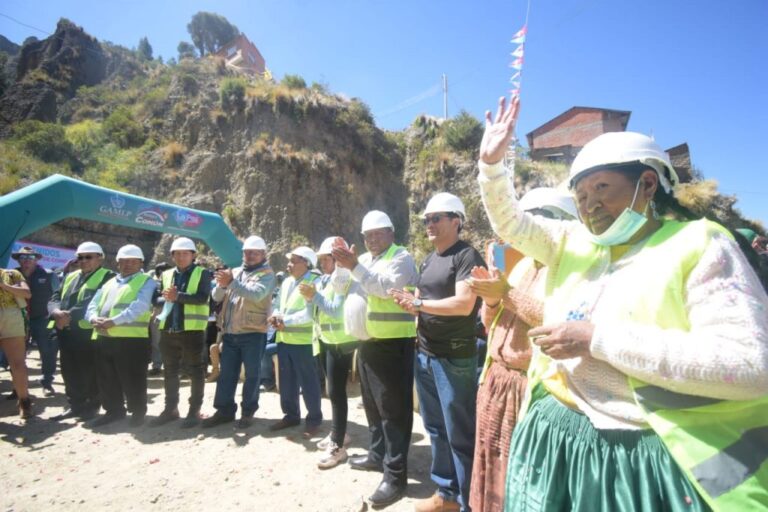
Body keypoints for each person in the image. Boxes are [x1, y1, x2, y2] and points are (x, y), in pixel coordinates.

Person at [477, 96, 768, 510]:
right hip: (554, 436)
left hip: (643, 457)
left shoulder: (700, 245)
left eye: (602, 188)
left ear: (647, 184)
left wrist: (597, 340)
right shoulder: (572, 242)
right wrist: (491, 167)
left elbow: (751, 364)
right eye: (580, 195)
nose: (589, 204)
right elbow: (512, 223)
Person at [466, 188, 577, 512]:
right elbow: (492, 322)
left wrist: (507, 293)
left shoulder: (570, 270)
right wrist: (491, 299)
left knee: (519, 473)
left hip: (527, 388)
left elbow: (559, 322)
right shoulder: (523, 266)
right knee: (489, 461)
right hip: (497, 380)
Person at [391, 193, 486, 512]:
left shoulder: (467, 256)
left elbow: (464, 305)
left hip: (454, 357)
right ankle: (447, 494)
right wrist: (410, 304)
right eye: (426, 220)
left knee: (460, 432)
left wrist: (418, 303)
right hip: (425, 354)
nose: (429, 224)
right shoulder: (429, 260)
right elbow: (422, 301)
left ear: (456, 221)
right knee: (435, 428)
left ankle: (469, 502)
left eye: (436, 218)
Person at [332, 210, 418, 509]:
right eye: (367, 235)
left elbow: (385, 289)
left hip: (392, 345)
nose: (372, 239)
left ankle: (395, 477)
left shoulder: (401, 257)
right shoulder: (364, 260)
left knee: (393, 412)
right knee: (372, 407)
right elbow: (339, 288)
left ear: (391, 233)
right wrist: (342, 265)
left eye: (378, 233)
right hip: (368, 344)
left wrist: (354, 266)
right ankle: (377, 455)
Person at [300, 237, 361, 469]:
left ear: (337, 259)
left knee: (336, 392)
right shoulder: (327, 280)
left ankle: (338, 446)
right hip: (326, 341)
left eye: (326, 259)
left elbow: (336, 311)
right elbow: (313, 313)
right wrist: (310, 299)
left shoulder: (343, 279)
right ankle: (339, 433)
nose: (322, 263)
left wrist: (314, 296)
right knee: (333, 392)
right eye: (321, 259)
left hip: (340, 342)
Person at [203, 235, 276, 429]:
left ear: (263, 254)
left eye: (254, 253)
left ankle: (247, 412)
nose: (250, 256)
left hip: (253, 332)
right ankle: (224, 411)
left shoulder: (267, 274)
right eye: (247, 252)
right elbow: (216, 297)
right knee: (227, 374)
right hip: (230, 332)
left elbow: (256, 294)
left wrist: (231, 282)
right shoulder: (235, 272)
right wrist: (221, 285)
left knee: (252, 375)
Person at [86, 244, 157, 427]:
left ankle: (138, 412)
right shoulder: (109, 283)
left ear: (141, 263)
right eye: (124, 261)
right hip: (104, 337)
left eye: (133, 261)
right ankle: (113, 411)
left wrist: (114, 321)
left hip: (132, 339)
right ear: (118, 263)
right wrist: (93, 318)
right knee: (106, 378)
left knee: (133, 378)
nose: (128, 264)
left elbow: (140, 306)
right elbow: (93, 305)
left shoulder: (146, 281)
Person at [150, 237, 212, 429]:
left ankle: (194, 411)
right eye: (177, 254)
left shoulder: (202, 273)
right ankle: (170, 409)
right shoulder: (166, 274)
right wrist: (167, 298)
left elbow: (202, 298)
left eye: (185, 253)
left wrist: (178, 296)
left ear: (193, 255)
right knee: (170, 371)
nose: (181, 257)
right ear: (172, 256)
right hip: (169, 329)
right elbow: (157, 300)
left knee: (195, 371)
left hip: (192, 331)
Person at [48, 242, 114, 421]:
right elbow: (55, 297)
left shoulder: (108, 277)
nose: (83, 261)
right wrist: (55, 312)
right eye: (80, 257)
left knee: (90, 372)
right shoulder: (70, 276)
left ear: (100, 258)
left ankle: (92, 407)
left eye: (88, 257)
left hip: (87, 333)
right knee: (69, 370)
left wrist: (66, 316)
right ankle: (75, 405)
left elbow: (93, 302)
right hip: (65, 331)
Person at [267, 246, 323, 436]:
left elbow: (310, 313)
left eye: (293, 261)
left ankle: (314, 420)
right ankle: (291, 416)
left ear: (306, 263)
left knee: (308, 383)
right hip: (284, 339)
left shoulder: (315, 282)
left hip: (304, 342)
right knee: (287, 382)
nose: (289, 265)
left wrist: (284, 320)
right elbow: (277, 304)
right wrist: (276, 316)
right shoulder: (287, 282)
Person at [13, 246, 59, 396]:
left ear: (36, 259)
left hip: (43, 319)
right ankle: (19, 386)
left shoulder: (49, 274)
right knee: (17, 354)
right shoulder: (12, 275)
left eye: (31, 257)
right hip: (19, 320)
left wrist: (55, 314)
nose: (27, 260)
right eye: (23, 257)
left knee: (47, 351)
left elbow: (57, 296)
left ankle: (47, 383)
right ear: (18, 260)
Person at [0, 266, 33, 419]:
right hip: (11, 315)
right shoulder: (12, 273)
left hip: (11, 316)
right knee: (18, 364)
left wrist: (3, 285)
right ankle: (25, 403)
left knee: (18, 364)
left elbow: (27, 294)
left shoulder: (11, 274)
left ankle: (24, 403)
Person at [148, 263, 171, 376]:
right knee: (157, 343)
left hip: (168, 317)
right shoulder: (154, 285)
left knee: (165, 343)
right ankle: (158, 366)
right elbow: (154, 300)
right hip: (158, 316)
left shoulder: (174, 283)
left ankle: (163, 366)